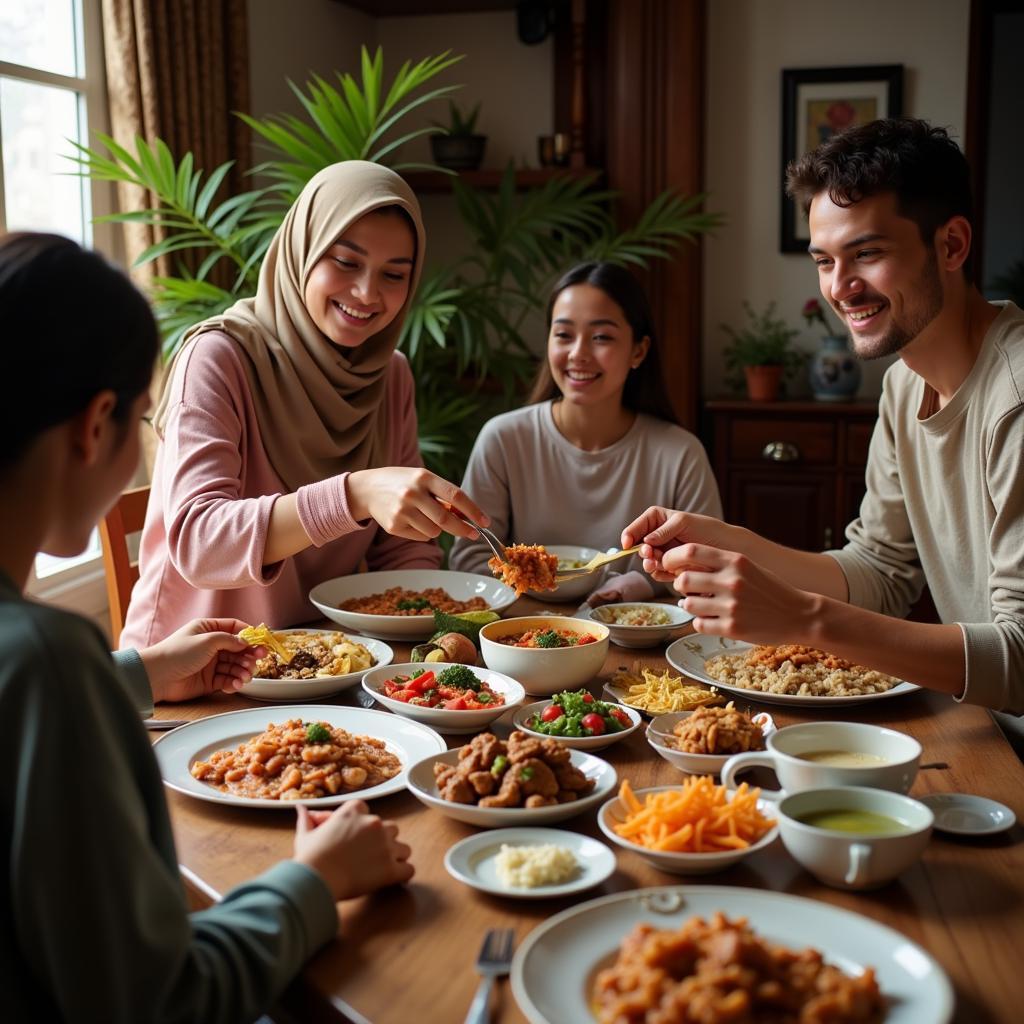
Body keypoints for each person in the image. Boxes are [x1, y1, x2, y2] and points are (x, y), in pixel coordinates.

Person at [0, 232, 415, 1022]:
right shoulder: (50, 664)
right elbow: (162, 1000)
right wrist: (316, 882)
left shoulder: (50, 667)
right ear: (97, 425)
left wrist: (138, 674)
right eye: (147, 424)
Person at [622, 118, 1024, 747]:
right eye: (824, 261)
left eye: (867, 253)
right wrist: (733, 544)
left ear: (951, 246)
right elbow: (882, 573)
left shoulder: (1016, 399)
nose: (840, 287)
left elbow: (1021, 659)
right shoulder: (903, 382)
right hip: (980, 729)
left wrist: (804, 618)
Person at [120, 161, 485, 648]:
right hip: (188, 675)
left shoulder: (388, 374)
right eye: (346, 262)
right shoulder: (217, 358)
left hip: (313, 664)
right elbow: (199, 544)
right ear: (302, 250)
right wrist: (353, 495)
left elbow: (403, 551)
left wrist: (425, 645)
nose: (366, 293)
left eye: (394, 274)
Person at [449, 261, 721, 603]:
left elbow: (707, 571)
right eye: (563, 335)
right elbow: (468, 560)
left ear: (639, 350)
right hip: (520, 634)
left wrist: (632, 586)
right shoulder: (503, 439)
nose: (578, 354)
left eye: (601, 337)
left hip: (636, 636)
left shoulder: (680, 453)